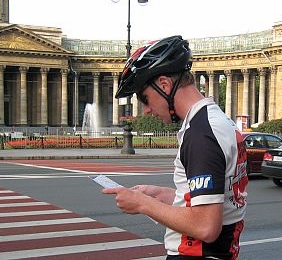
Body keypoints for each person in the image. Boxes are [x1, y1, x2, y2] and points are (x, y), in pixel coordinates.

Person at [102, 35, 248, 260]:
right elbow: (215, 199)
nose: (146, 110)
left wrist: (143, 204)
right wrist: (161, 194)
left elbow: (205, 227)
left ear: (164, 84)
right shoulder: (216, 121)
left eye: (145, 98)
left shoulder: (201, 134)